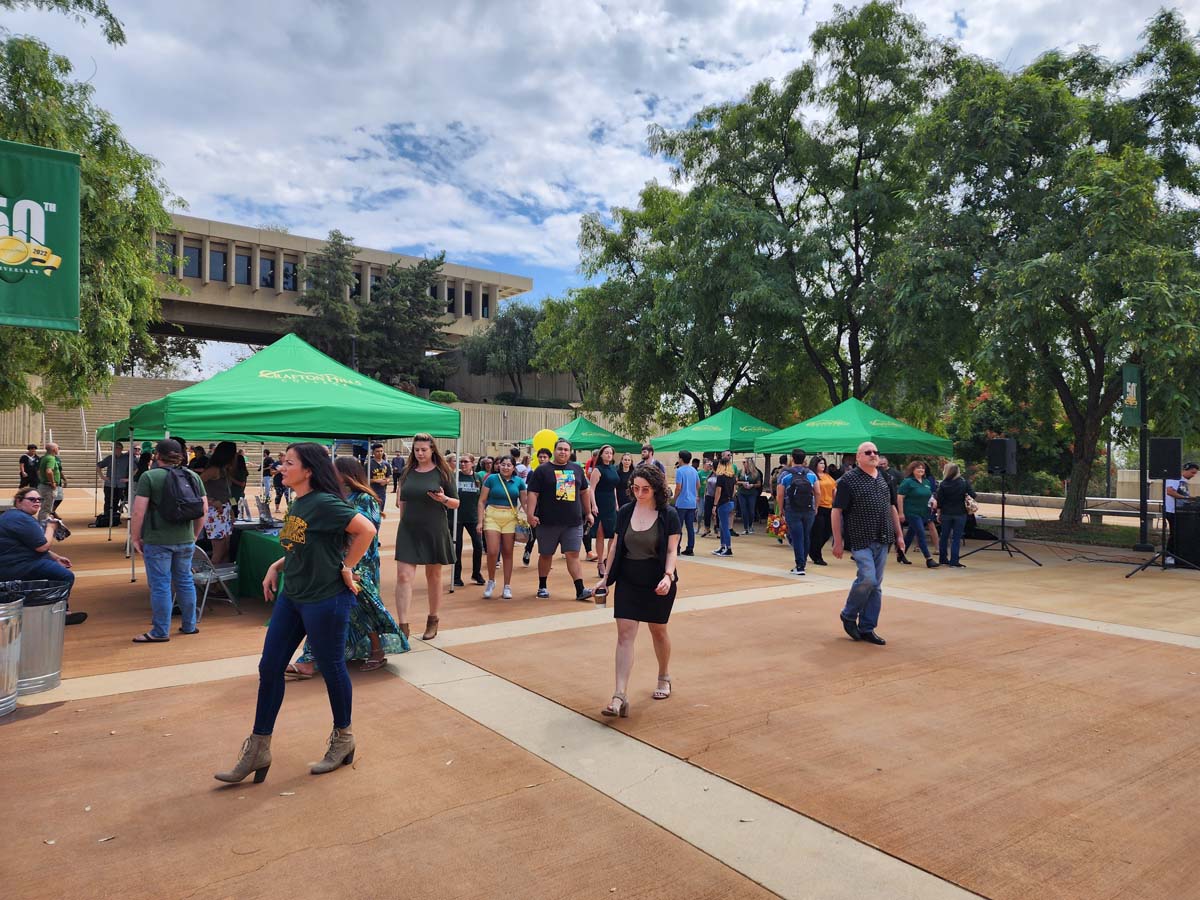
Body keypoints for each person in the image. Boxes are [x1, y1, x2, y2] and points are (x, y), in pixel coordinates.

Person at [215, 443, 377, 784]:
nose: (281, 467)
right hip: (293, 596)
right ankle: (259, 747)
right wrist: (276, 564)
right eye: (283, 462)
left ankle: (344, 738)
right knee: (269, 667)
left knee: (332, 669)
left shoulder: (325, 503)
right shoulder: (300, 503)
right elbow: (302, 544)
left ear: (309, 471)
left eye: (289, 463)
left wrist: (348, 567)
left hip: (326, 598)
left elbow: (367, 530)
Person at [286, 457, 408, 679]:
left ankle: (377, 650)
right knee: (333, 609)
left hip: (359, 563)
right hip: (335, 561)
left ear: (346, 473)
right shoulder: (335, 497)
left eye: (335, 471)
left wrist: (348, 563)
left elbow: (365, 531)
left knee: (365, 608)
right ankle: (311, 659)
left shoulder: (365, 498)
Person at [594, 464, 681, 717]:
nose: (640, 493)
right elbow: (615, 546)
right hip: (628, 579)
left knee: (658, 631)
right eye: (636, 488)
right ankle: (619, 695)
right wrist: (606, 578)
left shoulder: (669, 514)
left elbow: (671, 550)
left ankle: (664, 675)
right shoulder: (626, 512)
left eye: (645, 489)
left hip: (657, 580)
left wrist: (668, 575)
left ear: (656, 489)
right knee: (624, 635)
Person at [130, 439, 208, 643]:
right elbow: (203, 510)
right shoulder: (192, 476)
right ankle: (189, 625)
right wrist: (194, 534)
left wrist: (135, 536)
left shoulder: (150, 477)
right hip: (185, 538)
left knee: (161, 585)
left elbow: (138, 511)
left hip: (157, 539)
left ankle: (160, 631)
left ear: (158, 455)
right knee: (185, 581)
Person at [831, 442, 905, 646]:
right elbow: (836, 511)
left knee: (876, 586)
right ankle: (848, 614)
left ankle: (867, 627)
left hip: (883, 537)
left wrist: (899, 536)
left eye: (875, 452)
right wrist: (837, 541)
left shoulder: (885, 478)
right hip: (860, 537)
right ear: (858, 457)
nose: (873, 455)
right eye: (868, 452)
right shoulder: (848, 480)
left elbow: (891, 507)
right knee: (868, 578)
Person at [394, 433, 460, 640]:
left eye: (424, 449)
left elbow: (456, 503)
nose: (420, 453)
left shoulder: (443, 473)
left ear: (432, 449)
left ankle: (433, 619)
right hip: (409, 529)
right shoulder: (407, 472)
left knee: (434, 576)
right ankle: (402, 626)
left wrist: (443, 498)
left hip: (434, 528)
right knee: (403, 576)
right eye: (416, 450)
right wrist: (403, 522)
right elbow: (402, 500)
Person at [0, 488, 87, 624]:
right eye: (32, 499)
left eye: (39, 500)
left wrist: (56, 557)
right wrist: (51, 527)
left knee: (52, 569)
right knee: (65, 576)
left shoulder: (13, 516)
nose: (37, 502)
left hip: (14, 562)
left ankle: (44, 607)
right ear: (18, 501)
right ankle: (60, 613)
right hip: (15, 566)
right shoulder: (21, 518)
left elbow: (30, 545)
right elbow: (42, 546)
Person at [526, 438, 594, 601]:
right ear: (554, 450)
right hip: (548, 522)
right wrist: (530, 514)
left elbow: (584, 492)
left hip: (573, 522)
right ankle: (542, 586)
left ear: (570, 452)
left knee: (573, 554)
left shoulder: (577, 469)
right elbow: (533, 493)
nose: (563, 452)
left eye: (566, 449)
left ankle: (580, 590)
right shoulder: (542, 470)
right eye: (560, 449)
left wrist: (589, 512)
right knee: (546, 554)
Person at [478, 455, 527, 599]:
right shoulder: (491, 479)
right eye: (503, 465)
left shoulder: (519, 482)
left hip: (510, 517)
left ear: (513, 468)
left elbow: (524, 503)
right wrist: (480, 521)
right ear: (498, 466)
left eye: (509, 465)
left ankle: (507, 585)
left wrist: (530, 516)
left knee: (507, 552)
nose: (505, 467)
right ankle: (491, 581)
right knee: (492, 551)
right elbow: (482, 501)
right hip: (492, 515)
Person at [776, 449, 817, 575]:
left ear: (792, 459)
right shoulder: (811, 474)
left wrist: (781, 509)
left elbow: (780, 494)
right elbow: (818, 492)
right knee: (806, 536)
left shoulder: (784, 475)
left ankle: (800, 565)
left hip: (792, 509)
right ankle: (802, 562)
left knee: (797, 537)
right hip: (809, 509)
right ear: (805, 459)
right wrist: (816, 507)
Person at [200, 442, 237, 565]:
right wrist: (211, 501)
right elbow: (195, 486)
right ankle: (211, 581)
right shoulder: (214, 470)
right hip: (215, 513)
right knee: (219, 551)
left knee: (226, 550)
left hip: (224, 511)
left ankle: (221, 582)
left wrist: (231, 511)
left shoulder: (224, 470)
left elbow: (227, 493)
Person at [898, 460, 939, 568]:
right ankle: (928, 559)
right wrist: (901, 513)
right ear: (913, 470)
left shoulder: (926, 482)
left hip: (924, 511)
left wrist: (933, 500)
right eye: (918, 468)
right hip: (911, 511)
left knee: (911, 532)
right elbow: (900, 497)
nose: (921, 470)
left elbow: (929, 494)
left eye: (922, 468)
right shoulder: (908, 482)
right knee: (921, 533)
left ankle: (901, 553)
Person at [935, 463, 977, 567]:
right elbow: (973, 495)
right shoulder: (963, 482)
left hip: (946, 512)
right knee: (956, 538)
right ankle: (954, 561)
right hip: (960, 512)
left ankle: (943, 559)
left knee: (944, 536)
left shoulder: (943, 484)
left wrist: (939, 513)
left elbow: (939, 500)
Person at [452, 455, 485, 587]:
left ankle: (476, 573)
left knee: (478, 545)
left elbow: (482, 498)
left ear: (472, 463)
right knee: (457, 547)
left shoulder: (478, 477)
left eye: (466, 462)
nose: (463, 464)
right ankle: (456, 576)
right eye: (461, 462)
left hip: (473, 517)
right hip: (457, 517)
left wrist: (481, 519)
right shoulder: (455, 477)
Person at [589, 444, 622, 575]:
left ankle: (610, 560)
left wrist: (616, 503)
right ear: (601, 455)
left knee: (613, 534)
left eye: (610, 453)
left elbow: (614, 487)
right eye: (606, 453)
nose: (609, 455)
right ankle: (600, 563)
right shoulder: (597, 470)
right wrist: (594, 505)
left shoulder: (614, 468)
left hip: (611, 503)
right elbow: (591, 489)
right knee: (600, 535)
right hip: (600, 501)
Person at [522, 447, 552, 566]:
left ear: (549, 458)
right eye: (540, 457)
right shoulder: (532, 473)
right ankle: (528, 550)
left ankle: (545, 558)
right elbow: (530, 491)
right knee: (533, 533)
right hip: (536, 507)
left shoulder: (553, 472)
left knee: (548, 535)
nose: (542, 459)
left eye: (545, 457)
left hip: (549, 507)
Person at [1165, 462, 1199, 565]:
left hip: (1180, 511)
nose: (1193, 475)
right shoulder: (1175, 479)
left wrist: (1190, 500)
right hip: (1172, 511)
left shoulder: (1183, 481)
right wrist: (1186, 498)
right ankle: (1169, 556)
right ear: (1185, 470)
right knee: (1174, 534)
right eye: (1192, 472)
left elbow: (1182, 494)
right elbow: (1170, 491)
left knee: (1179, 534)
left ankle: (1177, 555)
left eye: (1195, 473)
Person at [808, 456, 836, 566]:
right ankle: (817, 556)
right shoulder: (812, 476)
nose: (823, 465)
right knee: (818, 533)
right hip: (818, 507)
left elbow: (834, 489)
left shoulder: (828, 476)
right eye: (820, 463)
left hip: (829, 506)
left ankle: (813, 550)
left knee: (827, 533)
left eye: (824, 463)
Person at [97, 441, 131, 525]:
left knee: (116, 501)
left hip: (120, 485)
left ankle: (114, 517)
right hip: (109, 484)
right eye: (115, 448)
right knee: (108, 501)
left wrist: (128, 479)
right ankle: (107, 518)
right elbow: (99, 466)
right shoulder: (109, 458)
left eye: (118, 448)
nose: (117, 450)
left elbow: (135, 468)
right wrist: (102, 477)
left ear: (121, 449)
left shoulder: (126, 459)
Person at [672, 450, 699, 556]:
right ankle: (690, 548)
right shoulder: (694, 470)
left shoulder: (680, 471)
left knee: (678, 526)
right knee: (690, 527)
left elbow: (678, 487)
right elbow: (698, 485)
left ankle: (677, 547)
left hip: (682, 502)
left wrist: (674, 499)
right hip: (692, 502)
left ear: (681, 459)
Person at [710, 453, 737, 557]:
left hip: (722, 503)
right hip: (730, 501)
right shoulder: (732, 477)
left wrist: (715, 505)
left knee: (724, 526)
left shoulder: (721, 477)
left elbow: (718, 492)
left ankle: (728, 548)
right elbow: (734, 490)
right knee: (723, 525)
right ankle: (723, 546)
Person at [36, 443, 62, 524]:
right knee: (46, 509)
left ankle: (42, 523)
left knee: (44, 507)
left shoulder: (45, 457)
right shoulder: (51, 458)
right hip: (48, 487)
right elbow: (49, 471)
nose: (59, 449)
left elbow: (39, 471)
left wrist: (43, 479)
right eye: (58, 448)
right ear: (54, 449)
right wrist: (53, 482)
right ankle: (43, 526)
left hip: (44, 485)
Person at [735, 457, 763, 534]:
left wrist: (752, 485)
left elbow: (759, 484)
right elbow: (736, 481)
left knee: (751, 510)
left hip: (751, 493)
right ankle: (745, 527)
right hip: (742, 492)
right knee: (743, 510)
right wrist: (742, 483)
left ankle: (750, 525)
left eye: (745, 462)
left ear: (749, 463)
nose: (743, 464)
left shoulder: (755, 473)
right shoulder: (740, 472)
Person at [367, 444, 391, 509]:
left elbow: (388, 477)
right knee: (372, 510)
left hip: (382, 491)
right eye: (377, 451)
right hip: (372, 491)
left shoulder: (386, 464)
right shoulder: (369, 464)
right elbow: (365, 479)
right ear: (373, 452)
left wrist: (386, 481)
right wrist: (376, 480)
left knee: (380, 510)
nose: (380, 453)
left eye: (381, 451)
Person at [700, 458, 718, 538]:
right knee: (707, 513)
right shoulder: (710, 474)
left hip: (716, 496)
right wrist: (704, 494)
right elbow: (707, 485)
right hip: (708, 496)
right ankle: (707, 528)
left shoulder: (719, 475)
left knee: (716, 513)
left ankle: (717, 528)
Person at [230, 449, 249, 517]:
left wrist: (230, 478)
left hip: (237, 496)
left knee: (236, 512)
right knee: (232, 510)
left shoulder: (242, 471)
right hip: (232, 495)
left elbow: (242, 484)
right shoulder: (234, 470)